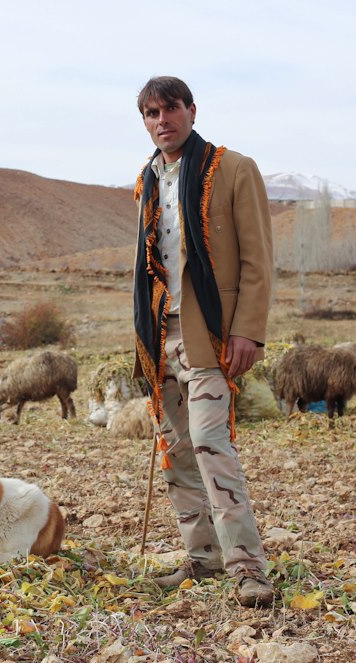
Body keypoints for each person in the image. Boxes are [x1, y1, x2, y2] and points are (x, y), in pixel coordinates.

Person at [131, 76, 275, 608]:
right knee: (176, 450)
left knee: (212, 444)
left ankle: (248, 568)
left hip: (210, 334)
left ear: (192, 110)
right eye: (151, 113)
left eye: (170, 109)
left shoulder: (234, 169)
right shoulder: (147, 179)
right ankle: (203, 557)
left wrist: (247, 331)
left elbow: (258, 258)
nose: (162, 120)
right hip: (160, 334)